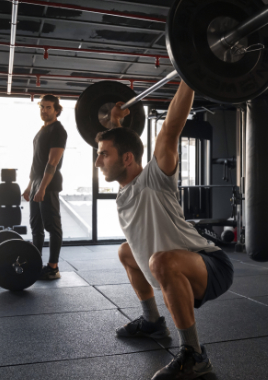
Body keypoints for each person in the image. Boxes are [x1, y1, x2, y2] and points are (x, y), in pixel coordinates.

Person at [94, 81, 233, 380]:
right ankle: (152, 321)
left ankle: (194, 355)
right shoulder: (125, 188)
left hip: (211, 265)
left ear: (127, 158)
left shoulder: (155, 179)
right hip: (181, 262)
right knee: (126, 252)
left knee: (160, 261)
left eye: (104, 154)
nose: (97, 162)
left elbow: (170, 128)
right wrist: (116, 123)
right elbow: (123, 143)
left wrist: (191, 75)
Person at [22, 94, 67, 280]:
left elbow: (52, 162)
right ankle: (36, 262)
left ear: (56, 110)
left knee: (52, 227)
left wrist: (42, 188)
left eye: (48, 107)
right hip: (37, 184)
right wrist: (29, 186)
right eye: (42, 107)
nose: (44, 110)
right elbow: (36, 164)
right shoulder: (41, 130)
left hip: (48, 185)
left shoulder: (58, 130)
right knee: (36, 227)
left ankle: (53, 267)